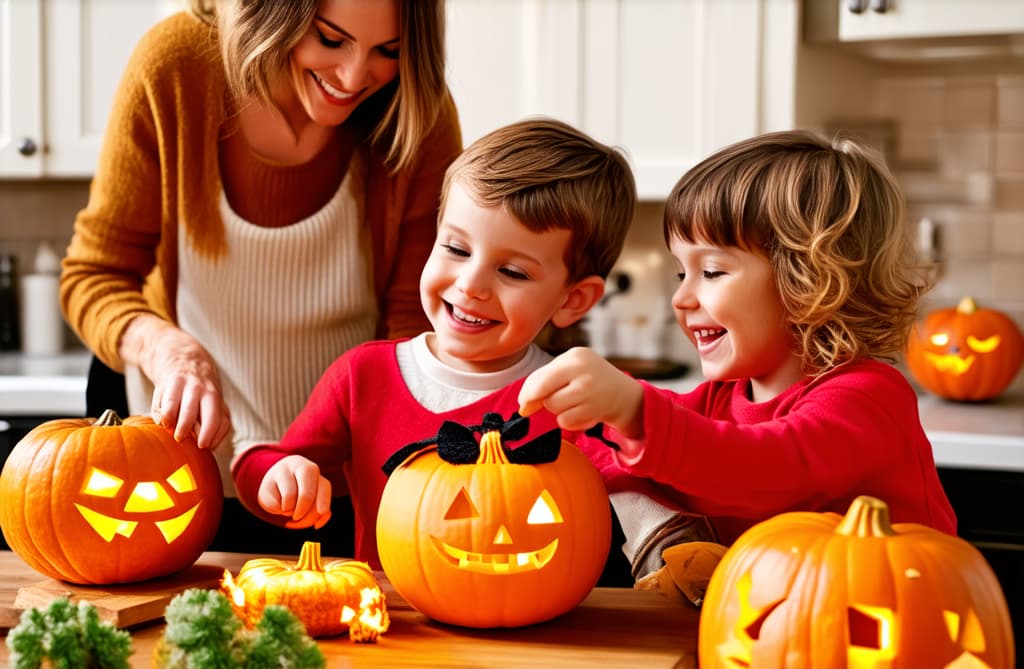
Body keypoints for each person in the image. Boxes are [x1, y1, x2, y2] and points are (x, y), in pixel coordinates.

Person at [59, 0, 462, 553]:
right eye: (330, 38)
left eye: (388, 51)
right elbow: (93, 275)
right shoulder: (178, 65)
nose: (352, 77)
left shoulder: (417, 110)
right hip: (177, 479)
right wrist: (169, 351)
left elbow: (416, 328)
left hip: (341, 483)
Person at [518, 129, 958, 554]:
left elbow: (766, 471)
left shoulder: (867, 398)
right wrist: (580, 419)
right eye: (680, 272)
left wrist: (630, 410)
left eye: (711, 272)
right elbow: (657, 447)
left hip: (887, 621)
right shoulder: (721, 400)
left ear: (807, 278)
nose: (681, 297)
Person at [231, 117, 638, 570]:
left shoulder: (576, 398)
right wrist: (278, 477)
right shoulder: (363, 376)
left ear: (572, 300)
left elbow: (647, 504)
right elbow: (269, 468)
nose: (471, 285)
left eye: (513, 273)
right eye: (456, 250)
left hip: (538, 634)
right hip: (389, 630)